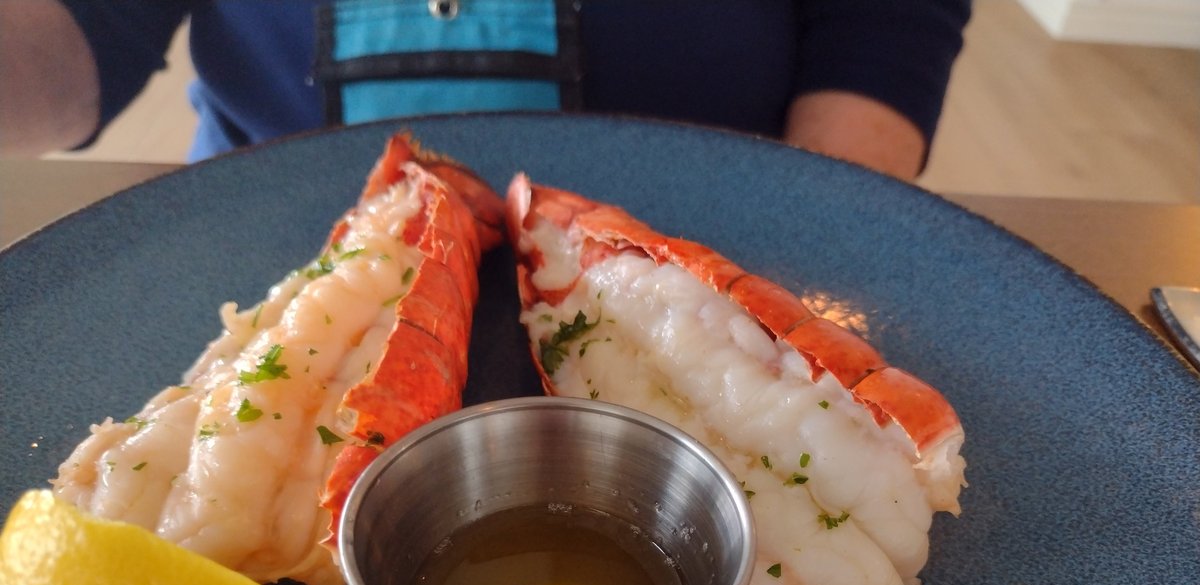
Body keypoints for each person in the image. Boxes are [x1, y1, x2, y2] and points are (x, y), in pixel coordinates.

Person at [0, 0, 970, 180]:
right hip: (267, 264)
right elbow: (76, 42)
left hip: (711, 261)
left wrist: (816, 230)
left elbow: (885, 19)